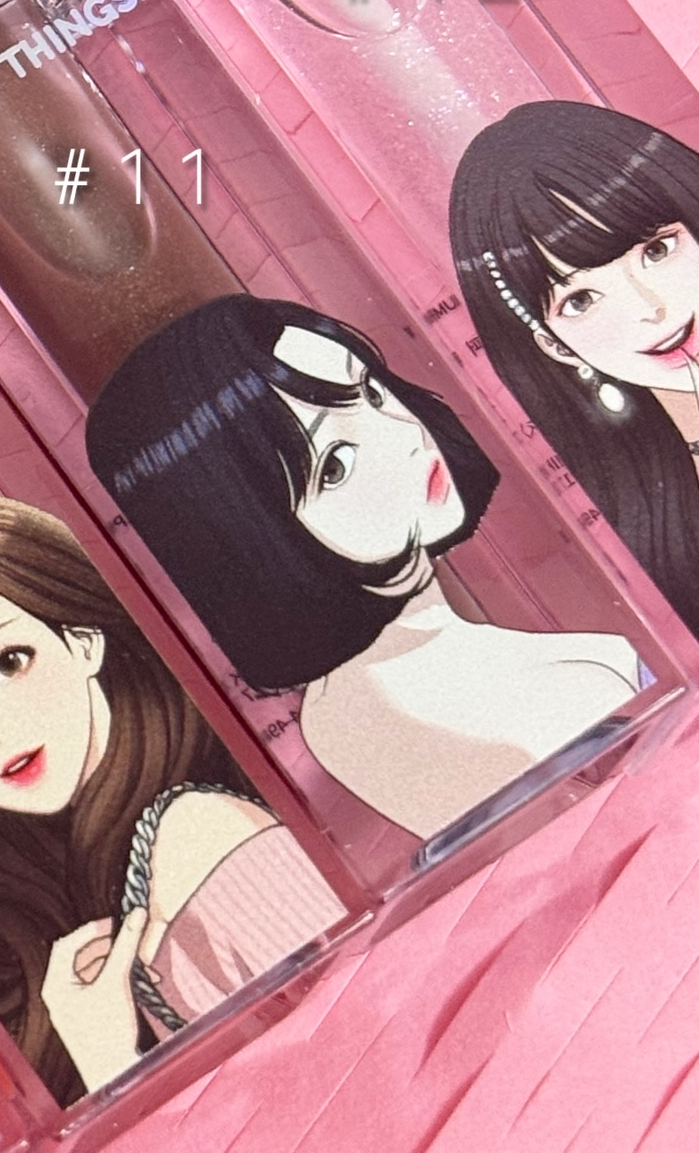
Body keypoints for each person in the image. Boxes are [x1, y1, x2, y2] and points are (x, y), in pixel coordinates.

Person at [0, 495, 347, 1104]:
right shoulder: (66, 889)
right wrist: (104, 1060)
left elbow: (369, 1049)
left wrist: (113, 1072)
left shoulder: (204, 839)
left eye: (7, 663)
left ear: (84, 640)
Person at [85, 296, 641, 841]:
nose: (404, 436)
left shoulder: (369, 691)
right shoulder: (406, 706)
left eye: (371, 392)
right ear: (249, 535)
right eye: (335, 465)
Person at [451, 99, 699, 638]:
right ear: (553, 346)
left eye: (657, 251)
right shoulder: (641, 515)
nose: (651, 308)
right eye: (581, 300)